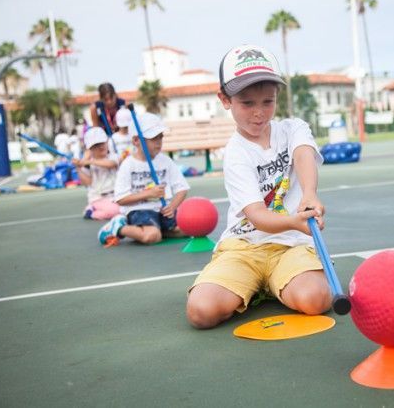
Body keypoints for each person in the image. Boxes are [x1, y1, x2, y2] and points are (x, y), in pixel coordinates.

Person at [185, 44, 330, 329]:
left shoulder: (293, 128)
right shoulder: (236, 153)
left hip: (290, 247)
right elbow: (256, 215)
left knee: (315, 300)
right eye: (247, 103)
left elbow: (303, 154)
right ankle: (262, 284)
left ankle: (272, 283)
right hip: (244, 247)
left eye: (268, 101)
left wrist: (309, 194)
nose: (259, 113)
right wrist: (294, 221)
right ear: (224, 99)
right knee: (201, 312)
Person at [97, 112, 189, 246]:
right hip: (140, 210)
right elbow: (120, 199)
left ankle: (159, 229)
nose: (158, 142)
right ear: (136, 141)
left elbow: (182, 188)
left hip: (163, 209)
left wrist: (172, 206)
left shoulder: (165, 161)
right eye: (153, 138)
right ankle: (118, 227)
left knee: (187, 229)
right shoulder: (128, 165)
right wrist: (148, 194)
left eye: (160, 137)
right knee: (152, 236)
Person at [73, 127, 120, 220]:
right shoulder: (87, 164)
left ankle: (92, 210)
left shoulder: (114, 156)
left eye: (102, 143)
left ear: (107, 142)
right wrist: (78, 167)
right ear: (90, 148)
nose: (101, 147)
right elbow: (88, 182)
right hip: (99, 198)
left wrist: (88, 162)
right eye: (96, 145)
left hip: (117, 196)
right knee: (116, 211)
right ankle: (91, 213)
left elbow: (111, 164)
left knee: (129, 209)